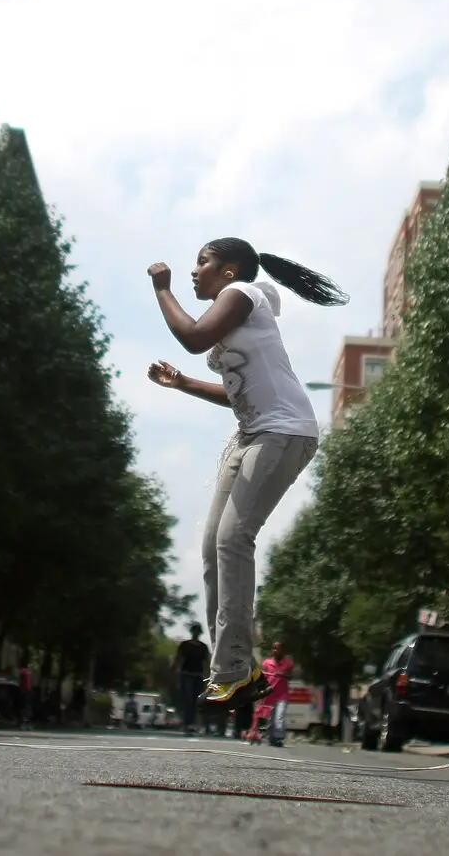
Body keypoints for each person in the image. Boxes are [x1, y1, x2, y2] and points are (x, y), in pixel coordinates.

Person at [146, 238, 344, 705]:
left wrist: (162, 290)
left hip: (284, 433)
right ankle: (236, 669)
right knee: (214, 543)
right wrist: (183, 384)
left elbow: (193, 337)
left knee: (235, 538)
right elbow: (235, 392)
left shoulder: (243, 296)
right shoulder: (237, 315)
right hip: (250, 434)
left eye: (203, 262)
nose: (194, 272)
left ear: (229, 272)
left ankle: (234, 667)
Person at [173, 623, 209, 736]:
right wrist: (173, 672)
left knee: (195, 700)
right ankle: (187, 723)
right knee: (188, 698)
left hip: (198, 675)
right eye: (195, 631)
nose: (196, 633)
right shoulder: (184, 645)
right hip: (186, 674)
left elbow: (206, 663)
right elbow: (178, 659)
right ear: (192, 632)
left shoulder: (203, 647)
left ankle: (191, 724)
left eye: (198, 631)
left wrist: (208, 679)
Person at [262, 644, 296, 747]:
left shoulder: (288, 663)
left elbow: (290, 677)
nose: (275, 650)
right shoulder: (267, 663)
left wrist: (282, 675)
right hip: (270, 694)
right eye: (274, 648)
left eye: (278, 648)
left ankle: (278, 738)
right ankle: (271, 737)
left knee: (279, 717)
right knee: (270, 718)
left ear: (282, 651)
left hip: (282, 695)